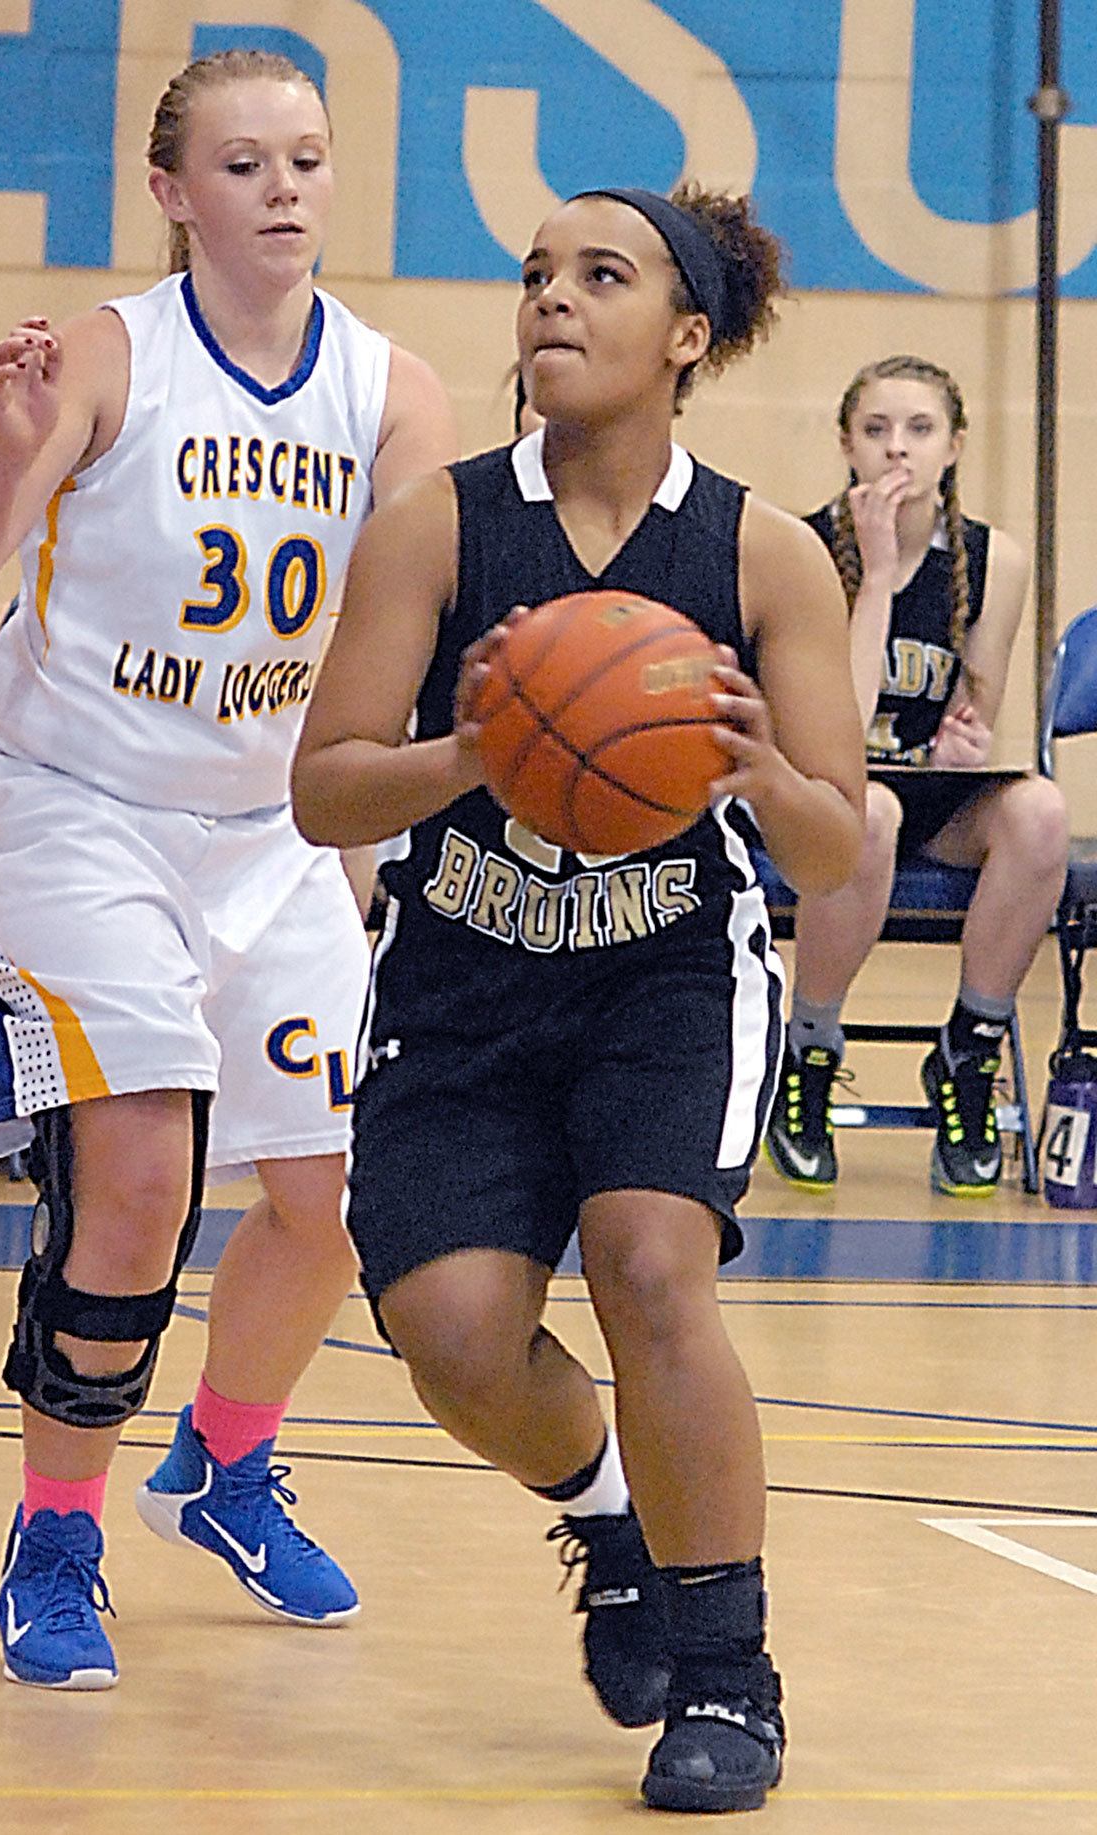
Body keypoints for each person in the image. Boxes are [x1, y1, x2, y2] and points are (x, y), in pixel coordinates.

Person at [291, 184, 866, 1815]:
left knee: (648, 1265)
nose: (551, 299)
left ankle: (728, 1678)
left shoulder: (760, 553)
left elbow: (831, 841)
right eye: (537, 274)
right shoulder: (440, 523)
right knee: (457, 1336)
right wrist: (476, 753)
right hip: (464, 982)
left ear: (688, 336)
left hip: (665, 980)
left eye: (598, 276)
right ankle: (609, 1513)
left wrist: (754, 761)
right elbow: (325, 791)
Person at [0, 47, 457, 1691]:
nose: (283, 187)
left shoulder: (391, 389)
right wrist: (10, 452)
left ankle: (219, 1467)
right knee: (140, 1180)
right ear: (170, 193)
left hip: (272, 827)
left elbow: (407, 628)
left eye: (306, 157)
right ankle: (56, 1529)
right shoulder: (106, 356)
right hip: (74, 808)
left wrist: (372, 832)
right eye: (242, 162)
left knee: (336, 1198)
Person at [765, 355, 1068, 1195]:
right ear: (845, 444)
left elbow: (977, 707)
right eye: (876, 429)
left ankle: (970, 1048)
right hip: (823, 791)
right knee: (869, 815)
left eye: (920, 429)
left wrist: (968, 744)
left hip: (930, 793)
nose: (897, 449)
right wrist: (881, 578)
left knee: (1040, 811)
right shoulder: (799, 547)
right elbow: (840, 717)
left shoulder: (993, 559)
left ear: (954, 445)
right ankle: (810, 1049)